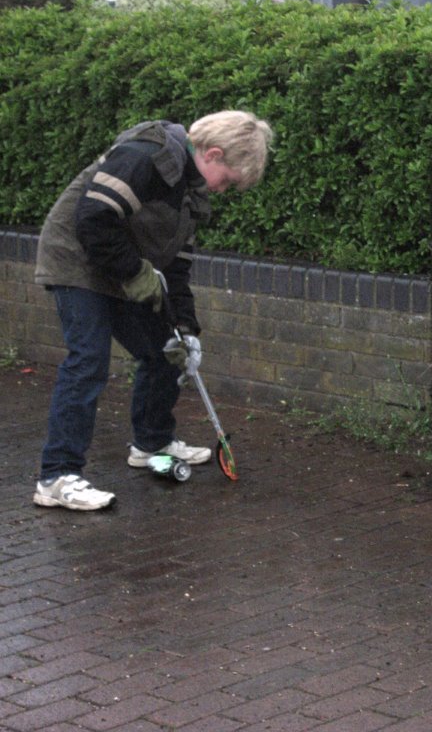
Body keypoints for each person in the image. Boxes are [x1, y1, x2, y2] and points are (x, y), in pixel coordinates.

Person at [33, 111, 273, 511]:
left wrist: (185, 327)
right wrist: (135, 273)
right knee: (89, 360)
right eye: (228, 180)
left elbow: (175, 268)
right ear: (213, 154)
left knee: (167, 350)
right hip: (75, 260)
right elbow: (93, 219)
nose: (223, 190)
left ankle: (151, 443)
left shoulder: (191, 194)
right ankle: (56, 476)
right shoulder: (147, 155)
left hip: (119, 268)